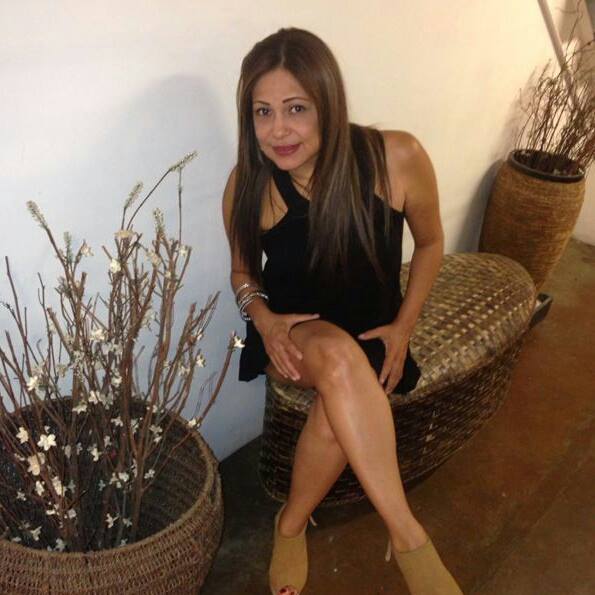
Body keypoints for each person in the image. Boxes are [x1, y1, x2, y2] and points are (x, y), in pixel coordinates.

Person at [222, 27, 463, 595]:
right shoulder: (249, 186)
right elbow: (242, 275)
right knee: (334, 356)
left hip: (373, 331)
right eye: (262, 112)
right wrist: (264, 321)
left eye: (296, 108)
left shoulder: (395, 157)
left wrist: (404, 326)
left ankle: (288, 525)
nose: (278, 130)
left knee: (339, 402)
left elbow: (431, 243)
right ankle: (408, 537)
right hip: (295, 334)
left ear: (328, 102)